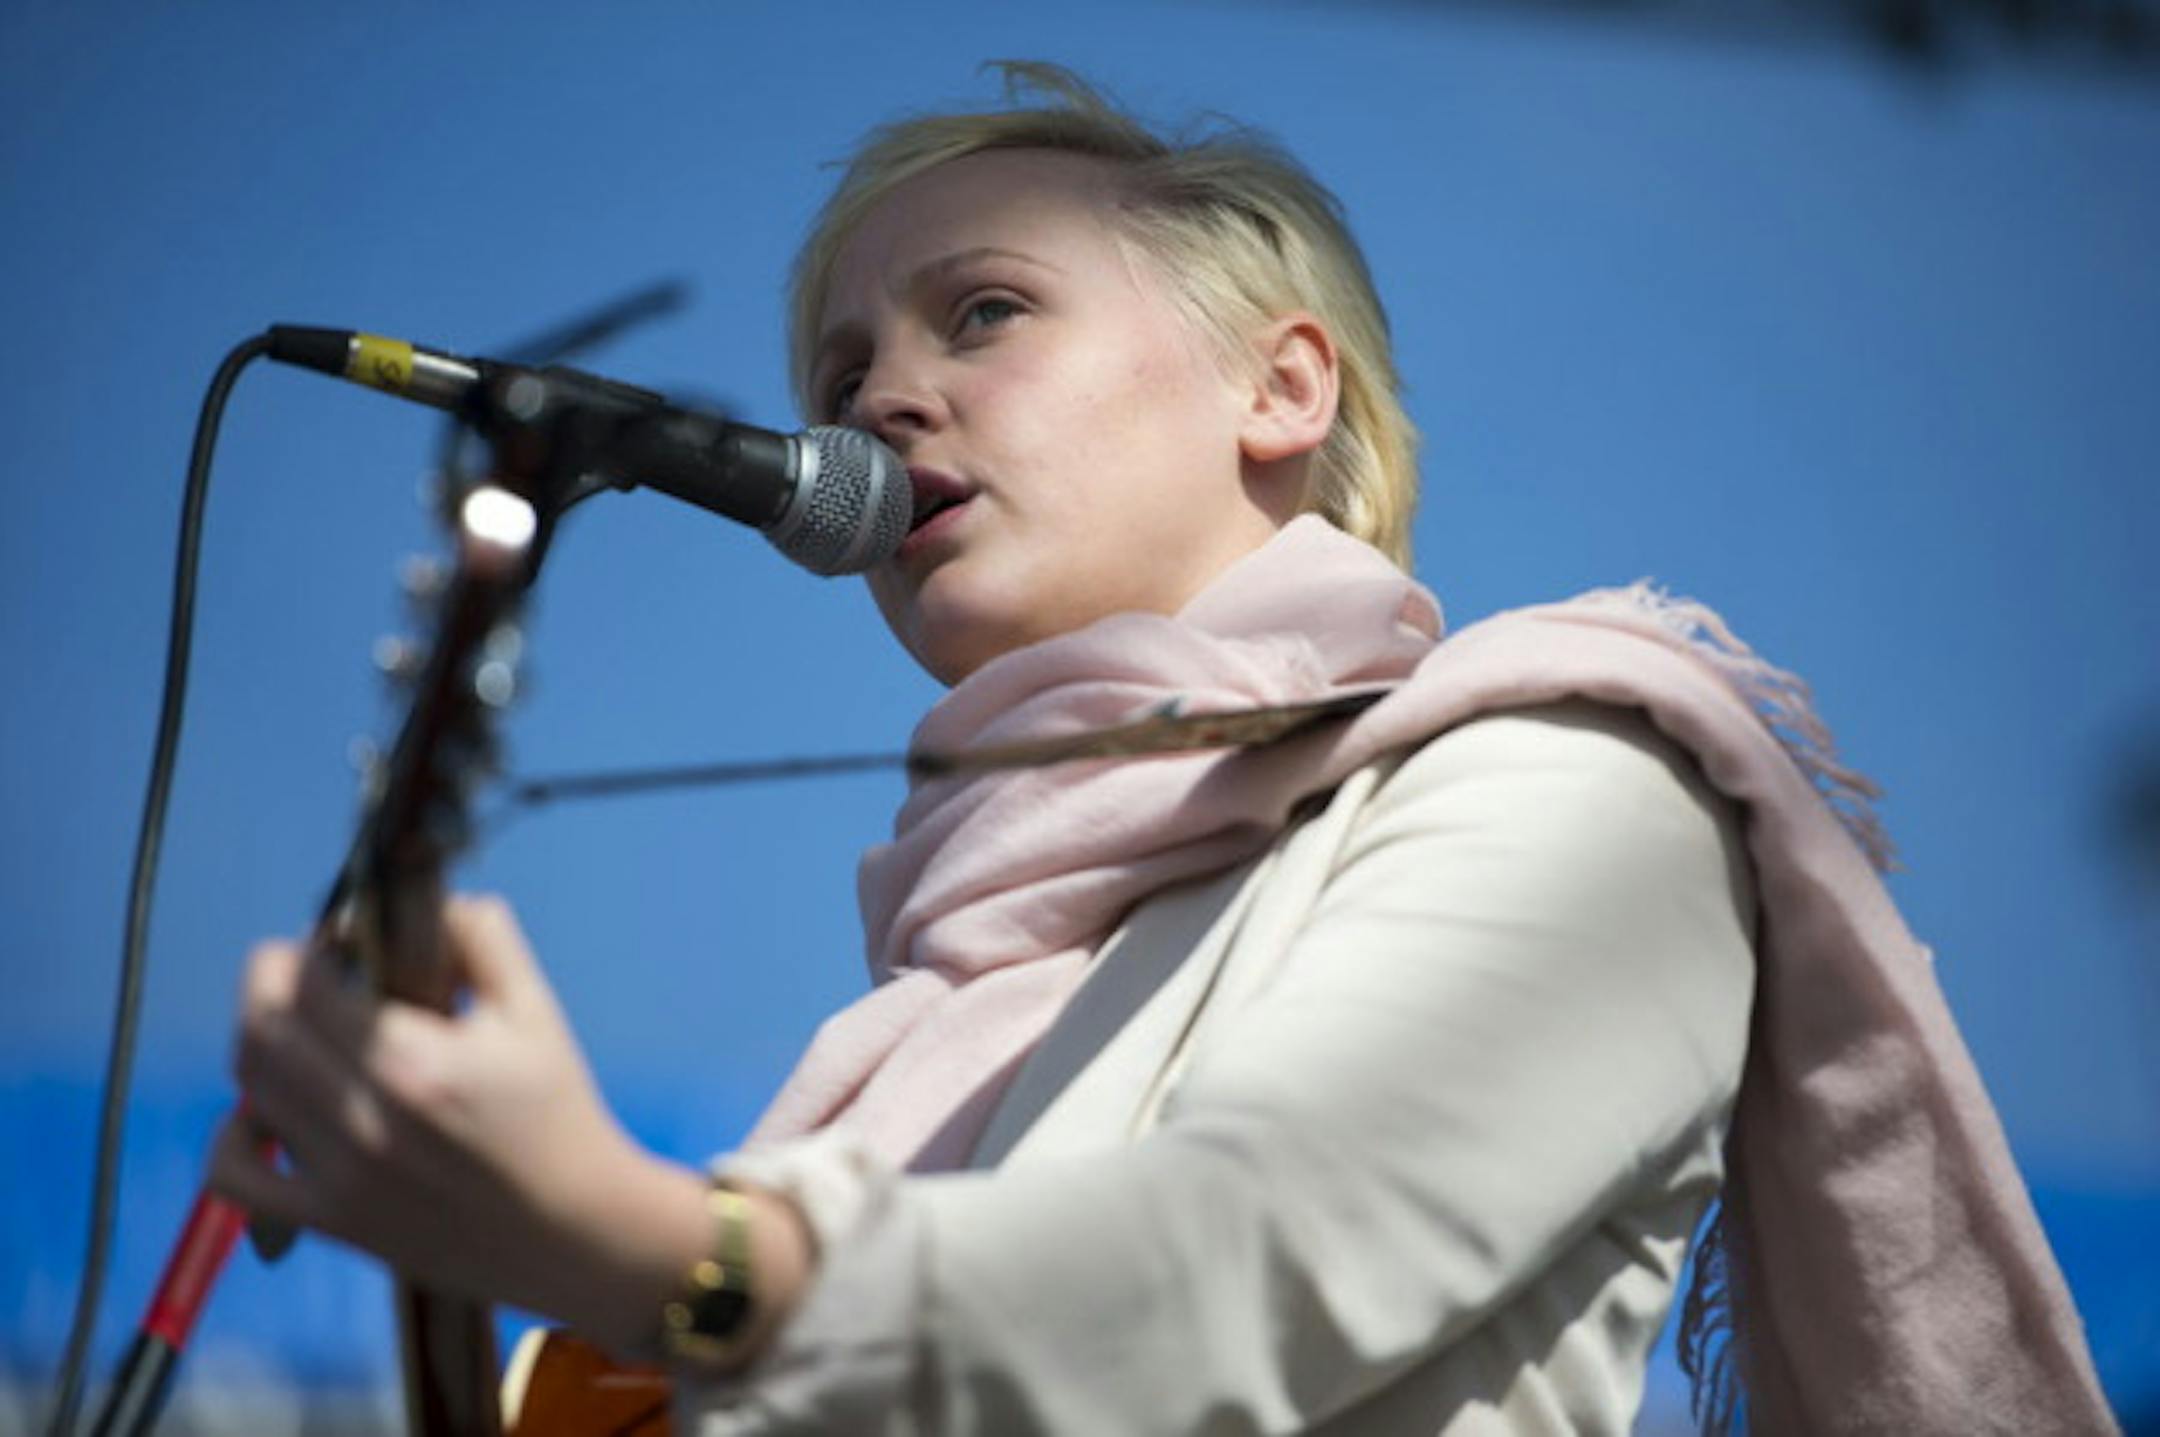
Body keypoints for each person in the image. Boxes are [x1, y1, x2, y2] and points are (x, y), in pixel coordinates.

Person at [212, 65, 2115, 1434]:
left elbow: (1230, 1272)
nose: (881, 395)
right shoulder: (945, 1008)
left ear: (1283, 386)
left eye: (984, 309)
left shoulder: (1565, 783)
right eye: (837, 372)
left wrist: (649, 1244)